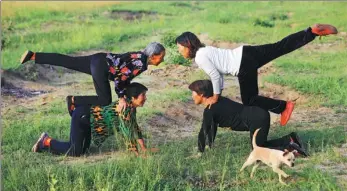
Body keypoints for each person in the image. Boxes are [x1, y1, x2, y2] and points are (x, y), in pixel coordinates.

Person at [176, 24, 338, 126]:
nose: (179, 51)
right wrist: (219, 92)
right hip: (247, 53)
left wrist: (216, 97)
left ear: (187, 45)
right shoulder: (206, 50)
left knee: (250, 100)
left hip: (243, 65)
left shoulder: (200, 57)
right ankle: (311, 32)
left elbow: (215, 76)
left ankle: (284, 107)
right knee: (280, 46)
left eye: (179, 48)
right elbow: (218, 74)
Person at [20, 42, 166, 116]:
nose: (163, 60)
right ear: (153, 56)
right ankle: (74, 101)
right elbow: (120, 79)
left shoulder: (139, 57)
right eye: (162, 56)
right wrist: (121, 98)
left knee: (68, 61)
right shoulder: (140, 63)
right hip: (102, 67)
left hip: (99, 59)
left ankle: (33, 56)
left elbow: (123, 78)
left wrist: (127, 95)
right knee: (105, 100)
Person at [31, 82, 158, 157]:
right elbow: (127, 132)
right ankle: (46, 141)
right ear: (133, 97)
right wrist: (136, 153)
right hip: (83, 117)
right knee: (75, 151)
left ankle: (43, 147)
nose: (145, 98)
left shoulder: (130, 107)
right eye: (143, 95)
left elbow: (134, 127)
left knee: (83, 151)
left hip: (89, 119)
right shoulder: (124, 109)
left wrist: (143, 148)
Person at [188, 80, 308, 157]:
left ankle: (291, 147)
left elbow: (203, 131)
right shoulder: (217, 102)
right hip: (258, 115)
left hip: (257, 119)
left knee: (258, 151)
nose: (192, 96)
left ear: (202, 94)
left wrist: (200, 152)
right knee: (260, 146)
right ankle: (290, 139)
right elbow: (211, 127)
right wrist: (209, 145)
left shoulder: (210, 110)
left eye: (193, 93)